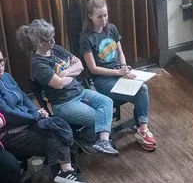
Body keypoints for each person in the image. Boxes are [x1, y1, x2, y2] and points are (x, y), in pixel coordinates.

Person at [0, 44, 89, 183]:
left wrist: (35, 112)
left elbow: (24, 97)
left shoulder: (6, 77)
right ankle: (64, 181)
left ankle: (65, 177)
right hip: (11, 133)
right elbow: (7, 114)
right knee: (53, 139)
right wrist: (35, 116)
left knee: (58, 126)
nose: (0, 65)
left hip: (28, 121)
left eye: (1, 61)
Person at [16, 19, 118, 156]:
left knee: (107, 103)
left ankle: (103, 142)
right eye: (49, 39)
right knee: (99, 118)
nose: (53, 41)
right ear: (39, 43)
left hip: (80, 92)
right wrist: (71, 72)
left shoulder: (56, 49)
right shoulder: (38, 64)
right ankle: (85, 138)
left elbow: (80, 65)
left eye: (53, 37)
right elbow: (59, 84)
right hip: (64, 103)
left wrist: (65, 73)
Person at [79, 0, 157, 151]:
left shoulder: (111, 29)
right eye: (99, 17)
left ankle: (142, 127)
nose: (104, 20)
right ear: (90, 16)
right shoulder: (86, 38)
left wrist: (124, 68)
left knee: (143, 88)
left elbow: (120, 52)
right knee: (141, 91)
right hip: (103, 80)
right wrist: (117, 72)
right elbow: (93, 69)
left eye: (106, 15)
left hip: (119, 73)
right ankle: (142, 127)